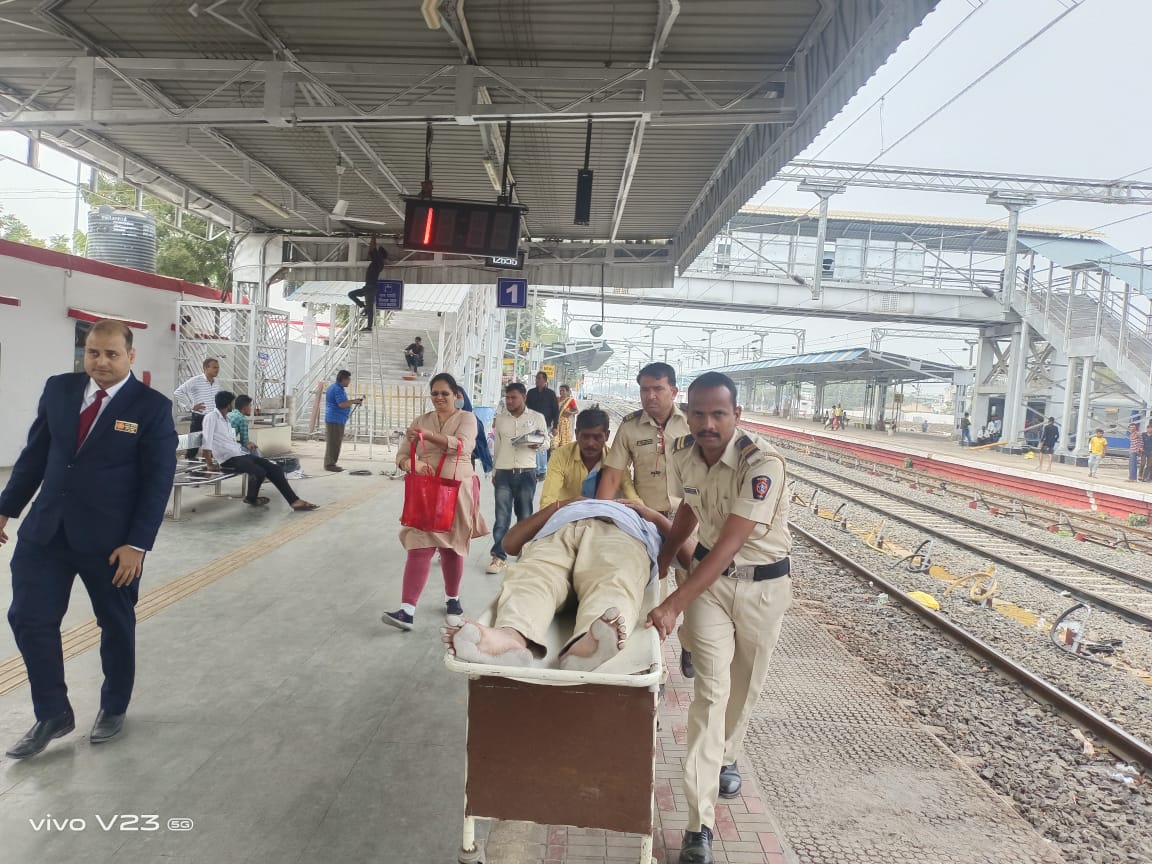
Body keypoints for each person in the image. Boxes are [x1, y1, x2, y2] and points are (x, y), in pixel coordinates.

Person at [0, 319, 177, 758]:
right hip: (46, 532)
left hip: (112, 544)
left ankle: (113, 706)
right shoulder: (60, 389)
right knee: (29, 618)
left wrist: (137, 544)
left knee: (115, 624)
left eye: (111, 354)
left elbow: (157, 481)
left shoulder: (151, 407)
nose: (100, 362)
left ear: (130, 356)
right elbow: (35, 455)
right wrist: (5, 508)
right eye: (93, 352)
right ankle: (53, 713)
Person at [645, 371, 793, 864]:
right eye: (699, 414)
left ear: (736, 415)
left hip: (763, 588)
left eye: (718, 414)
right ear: (687, 414)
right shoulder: (683, 453)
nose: (707, 424)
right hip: (710, 588)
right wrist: (664, 556)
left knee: (744, 686)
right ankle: (698, 824)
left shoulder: (762, 464)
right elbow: (689, 509)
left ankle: (728, 755)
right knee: (711, 696)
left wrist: (673, 603)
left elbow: (731, 542)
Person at [444, 499, 695, 670]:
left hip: (623, 533)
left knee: (616, 577)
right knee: (534, 574)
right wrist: (562, 505)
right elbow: (509, 544)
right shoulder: (566, 506)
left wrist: (652, 516)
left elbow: (691, 558)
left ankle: (589, 641)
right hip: (558, 530)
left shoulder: (643, 519)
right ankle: (509, 638)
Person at [596, 362, 695, 678]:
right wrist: (599, 519)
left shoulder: (693, 423)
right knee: (651, 594)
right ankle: (655, 666)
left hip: (691, 520)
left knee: (695, 589)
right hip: (649, 524)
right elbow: (613, 476)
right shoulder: (629, 427)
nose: (650, 396)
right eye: (645, 390)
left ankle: (691, 642)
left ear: (673, 391)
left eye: (658, 389)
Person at [382, 373, 489, 630]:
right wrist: (411, 464)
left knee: (451, 546)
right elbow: (402, 454)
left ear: (456, 396)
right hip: (426, 493)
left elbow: (463, 446)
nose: (439, 398)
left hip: (457, 491)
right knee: (419, 544)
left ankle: (453, 599)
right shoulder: (420, 420)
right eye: (435, 393)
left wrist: (429, 436)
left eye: (444, 393)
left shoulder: (467, 418)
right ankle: (407, 610)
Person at [203, 392, 318, 511]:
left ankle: (294, 501)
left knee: (275, 469)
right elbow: (206, 441)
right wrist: (209, 464)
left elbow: (230, 440)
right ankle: (251, 498)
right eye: (232, 402)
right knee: (259, 471)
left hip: (239, 454)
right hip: (227, 459)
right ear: (228, 404)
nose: (233, 405)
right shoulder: (211, 417)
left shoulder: (226, 419)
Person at [486, 382, 549, 574]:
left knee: (525, 517)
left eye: (514, 397)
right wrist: (495, 471)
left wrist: (537, 445)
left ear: (524, 397)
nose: (510, 401)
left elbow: (547, 442)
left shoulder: (537, 418)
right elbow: (497, 446)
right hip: (503, 472)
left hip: (526, 473)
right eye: (507, 398)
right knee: (502, 517)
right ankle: (498, 557)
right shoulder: (501, 419)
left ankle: (524, 555)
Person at [541, 407, 640, 509]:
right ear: (576, 434)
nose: (590, 443)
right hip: (567, 514)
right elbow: (547, 501)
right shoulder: (560, 456)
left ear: (607, 436)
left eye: (597, 437)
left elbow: (632, 496)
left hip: (603, 516)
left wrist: (644, 512)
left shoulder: (616, 460)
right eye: (585, 437)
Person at [173, 356, 220, 460]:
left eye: (217, 367)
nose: (217, 370)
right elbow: (178, 392)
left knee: (211, 447)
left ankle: (207, 467)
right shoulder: (196, 380)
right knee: (193, 448)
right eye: (214, 367)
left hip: (212, 418)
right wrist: (191, 406)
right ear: (206, 368)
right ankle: (189, 467)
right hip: (199, 418)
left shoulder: (217, 382)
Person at [324, 370, 363, 472]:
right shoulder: (337, 389)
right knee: (334, 443)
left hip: (336, 419)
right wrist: (354, 401)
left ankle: (331, 463)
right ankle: (330, 465)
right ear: (344, 379)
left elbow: (343, 402)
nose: (349, 382)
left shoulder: (336, 387)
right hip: (335, 419)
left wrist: (353, 401)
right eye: (348, 379)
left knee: (334, 442)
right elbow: (342, 404)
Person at [347, 236, 388, 331]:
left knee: (369, 307)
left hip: (371, 288)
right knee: (351, 294)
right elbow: (372, 249)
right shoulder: (378, 261)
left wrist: (374, 236)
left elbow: (372, 248)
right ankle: (363, 306)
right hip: (367, 287)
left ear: (379, 254)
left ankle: (369, 326)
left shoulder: (378, 261)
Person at [526, 371, 560, 478]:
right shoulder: (531, 393)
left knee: (542, 446)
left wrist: (555, 426)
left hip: (545, 424)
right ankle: (535, 469)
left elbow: (555, 410)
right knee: (534, 446)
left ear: (545, 380)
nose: (537, 380)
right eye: (536, 378)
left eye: (539, 378)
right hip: (532, 424)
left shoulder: (551, 394)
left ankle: (541, 470)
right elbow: (526, 408)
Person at [455, 386, 493, 476]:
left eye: (458, 397)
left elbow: (480, 443)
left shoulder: (472, 419)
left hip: (466, 462)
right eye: (453, 396)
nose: (456, 400)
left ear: (465, 398)